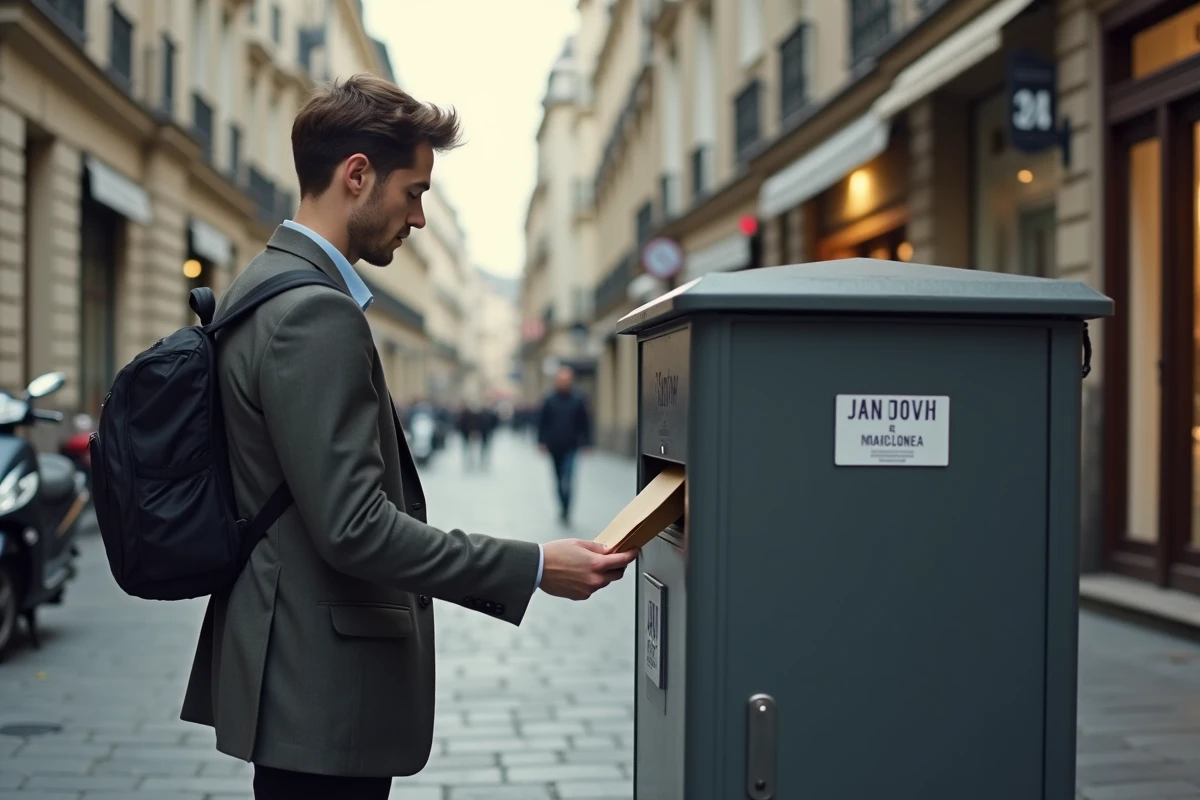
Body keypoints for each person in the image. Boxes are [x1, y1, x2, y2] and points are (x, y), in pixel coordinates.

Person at [179, 75, 637, 800]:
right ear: (357, 175)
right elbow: (354, 527)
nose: (419, 218)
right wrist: (533, 566)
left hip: (290, 665)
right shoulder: (314, 316)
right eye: (414, 191)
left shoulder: (261, 286)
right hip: (322, 685)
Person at [537, 366, 592, 523]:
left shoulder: (578, 399)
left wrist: (587, 443)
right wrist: (541, 441)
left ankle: (567, 509)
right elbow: (542, 422)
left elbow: (585, 422)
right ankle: (561, 506)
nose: (564, 382)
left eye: (566, 380)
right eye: (561, 380)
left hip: (571, 446)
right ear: (557, 381)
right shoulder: (549, 399)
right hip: (554, 446)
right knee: (558, 479)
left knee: (568, 477)